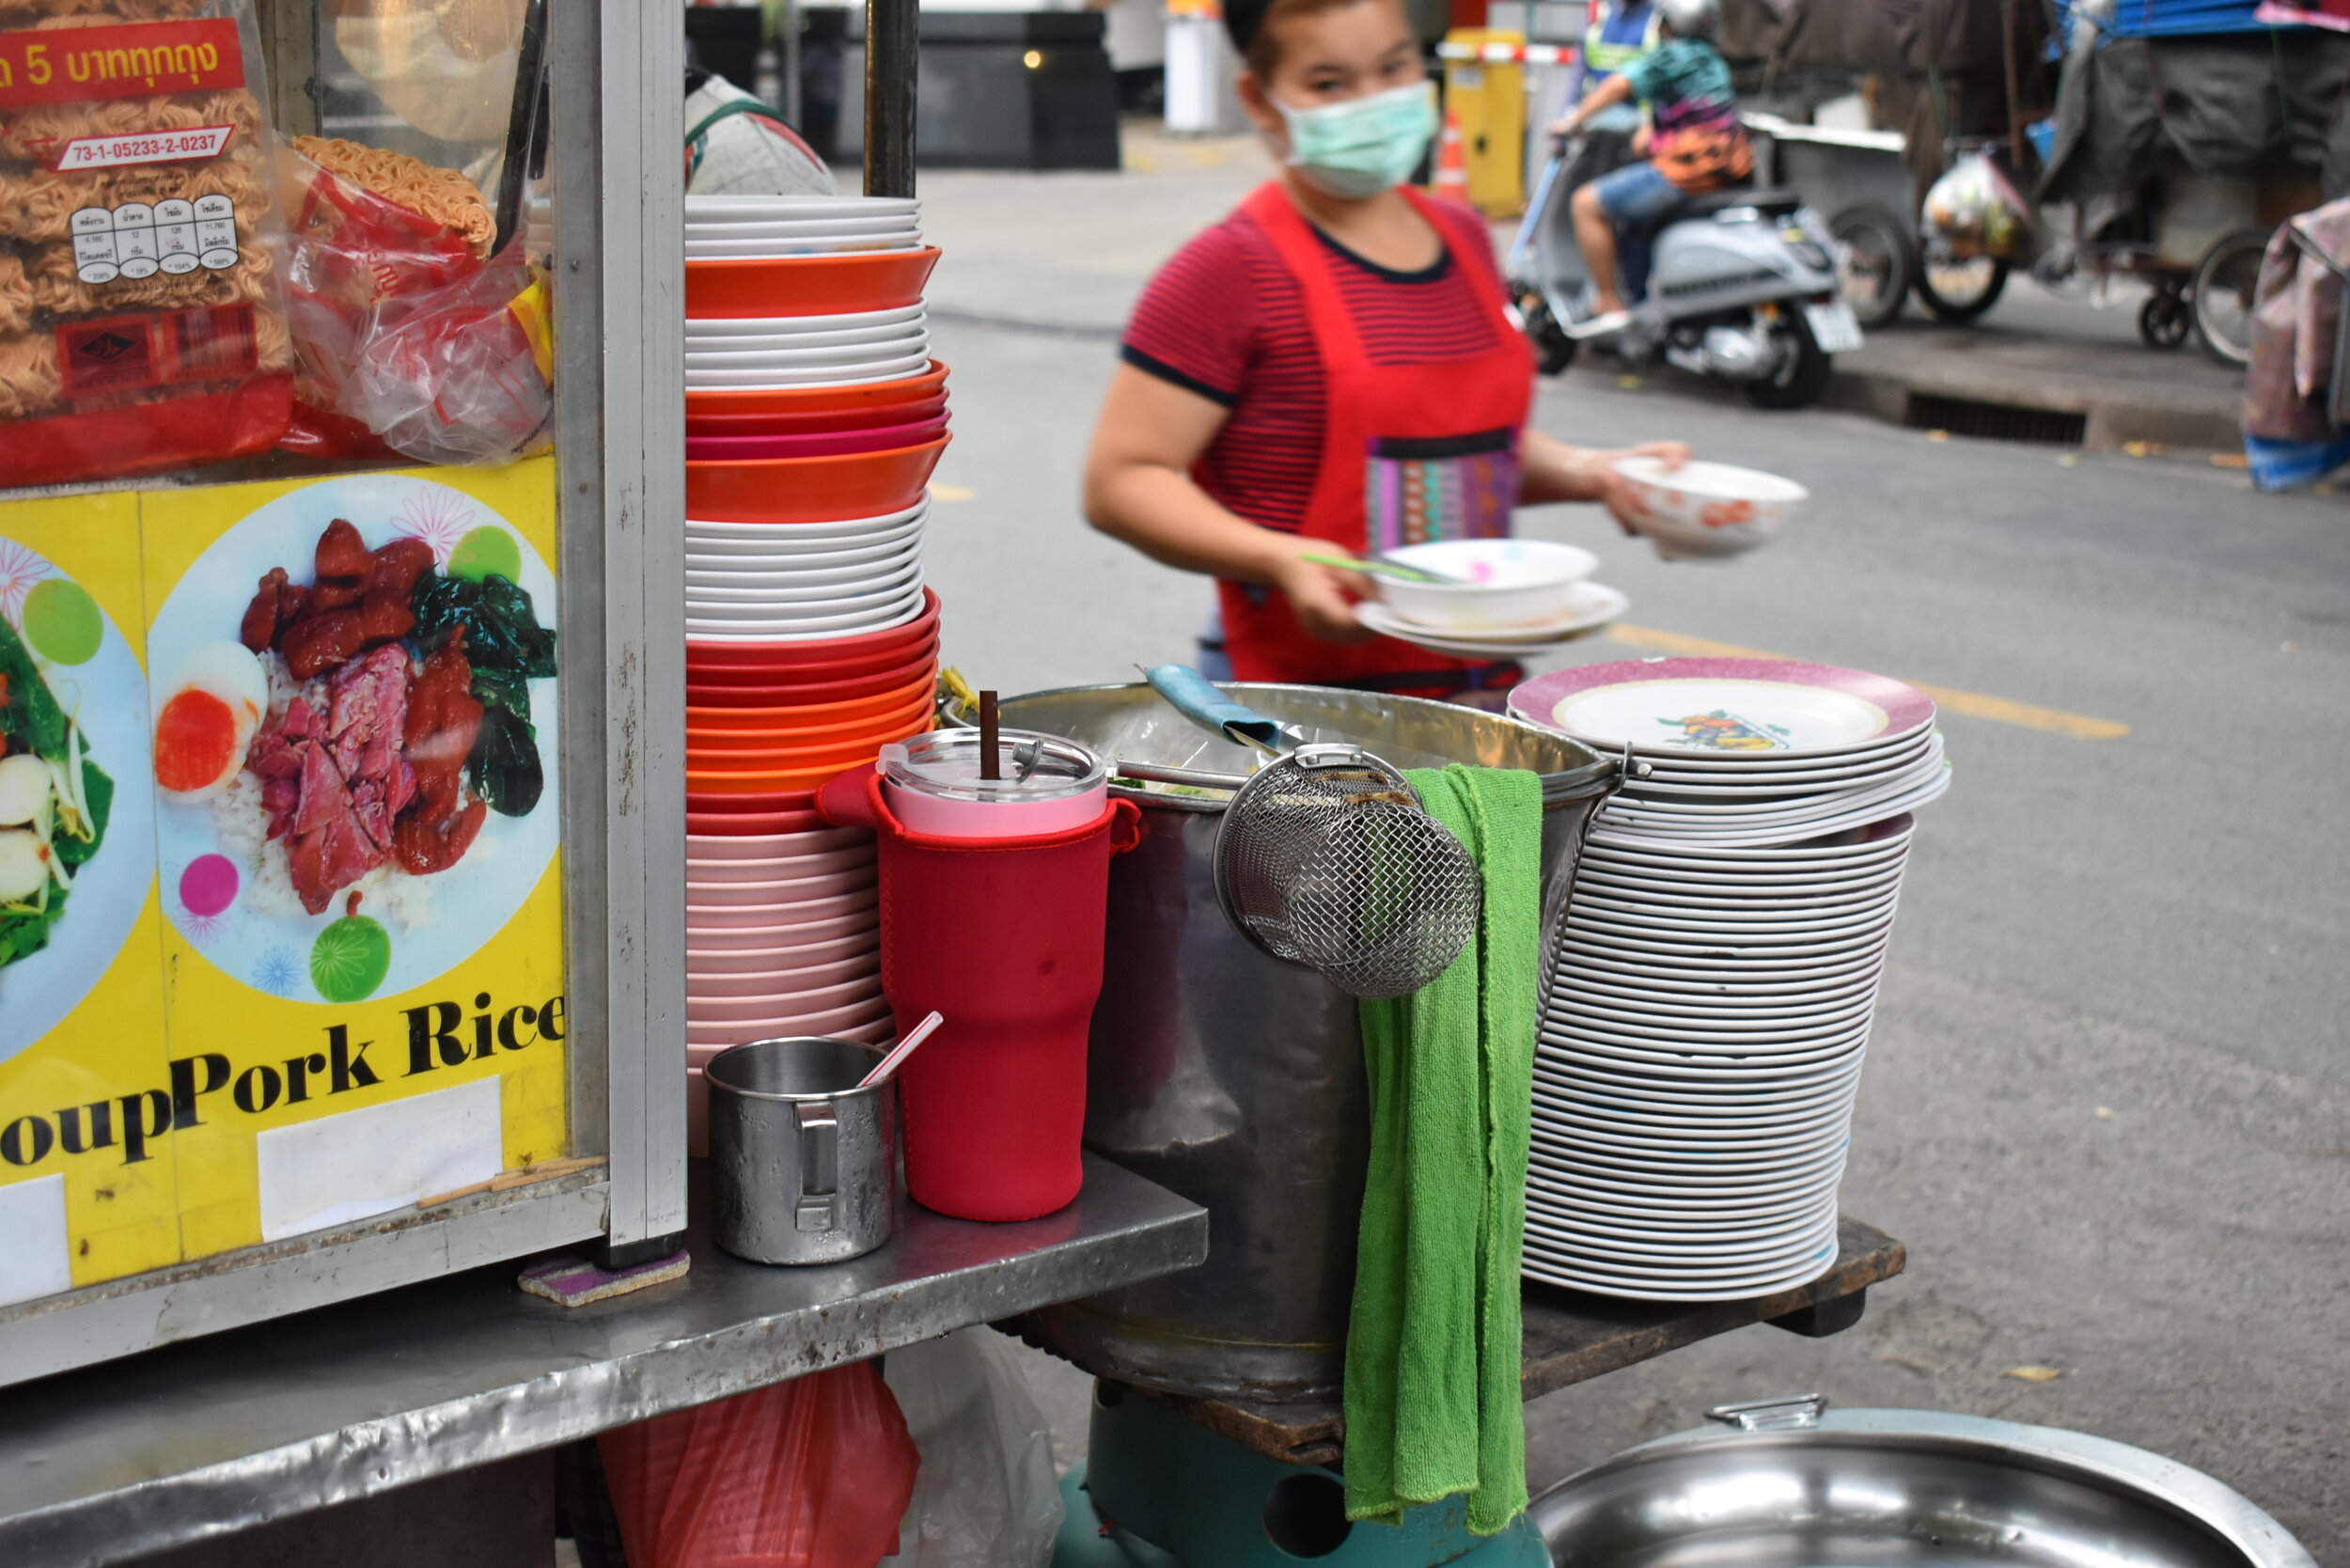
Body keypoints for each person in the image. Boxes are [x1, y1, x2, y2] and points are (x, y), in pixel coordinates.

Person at [1081, 0, 1684, 704]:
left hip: (1479, 699)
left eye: (1394, 66)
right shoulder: (1230, 269)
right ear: (1262, 100)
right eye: (1330, 84)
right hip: (1295, 719)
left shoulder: (1462, 237)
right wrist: (1280, 558)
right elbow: (1121, 481)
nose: (1375, 101)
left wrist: (1593, 471)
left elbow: (1450, 447)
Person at [1553, 0, 1752, 333]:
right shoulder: (1713, 62)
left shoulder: (1673, 56)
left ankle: (1607, 301)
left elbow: (1618, 85)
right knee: (1634, 224)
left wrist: (1574, 121)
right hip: (1727, 165)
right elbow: (1685, 112)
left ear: (1671, 26)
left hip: (1690, 170)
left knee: (1585, 204)